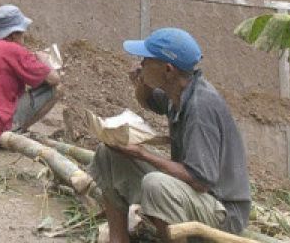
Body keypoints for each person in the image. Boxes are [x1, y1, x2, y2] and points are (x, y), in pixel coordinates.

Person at [89, 28, 250, 242]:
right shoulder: (179, 92)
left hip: (222, 212)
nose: (141, 63)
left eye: (146, 60)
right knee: (107, 154)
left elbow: (200, 180)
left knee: (156, 184)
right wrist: (142, 84)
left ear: (168, 69)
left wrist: (142, 153)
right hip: (195, 195)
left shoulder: (200, 107)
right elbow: (147, 101)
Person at [0, 5, 62, 146]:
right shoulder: (14, 50)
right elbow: (54, 79)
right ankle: (15, 131)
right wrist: (46, 62)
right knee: (57, 89)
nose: (24, 37)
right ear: (13, 34)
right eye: (22, 33)